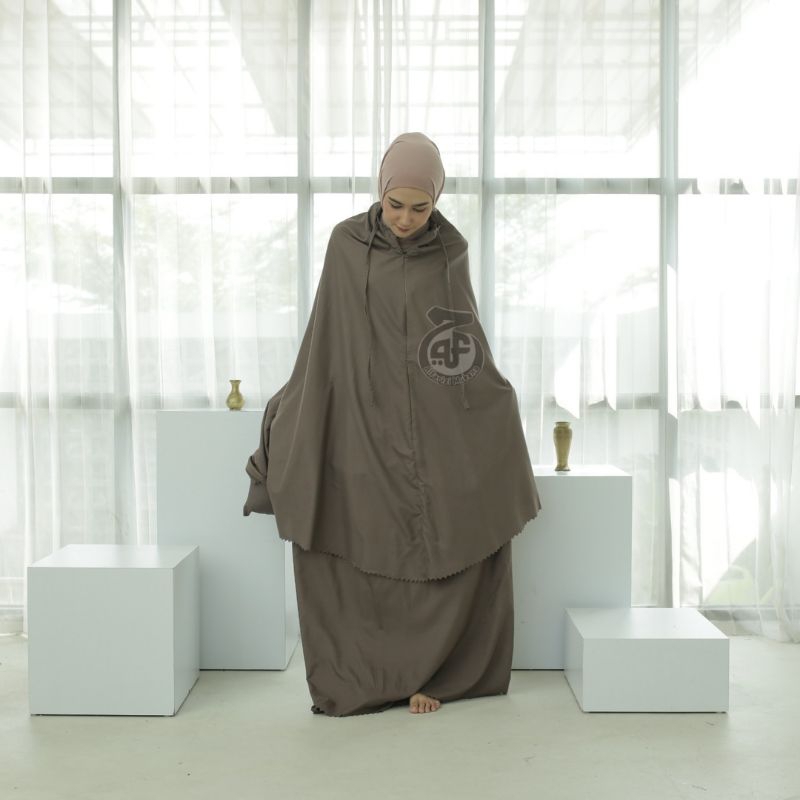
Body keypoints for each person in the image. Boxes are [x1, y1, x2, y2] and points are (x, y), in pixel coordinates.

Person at [243, 132, 542, 717]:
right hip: (358, 415)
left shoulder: (449, 251)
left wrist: (491, 401)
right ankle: (371, 676)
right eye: (395, 204)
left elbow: (458, 342)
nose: (405, 218)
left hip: (430, 417)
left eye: (420, 207)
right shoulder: (345, 244)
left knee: (448, 529)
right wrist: (301, 404)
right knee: (354, 529)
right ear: (379, 192)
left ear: (438, 200)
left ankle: (437, 675)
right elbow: (327, 336)